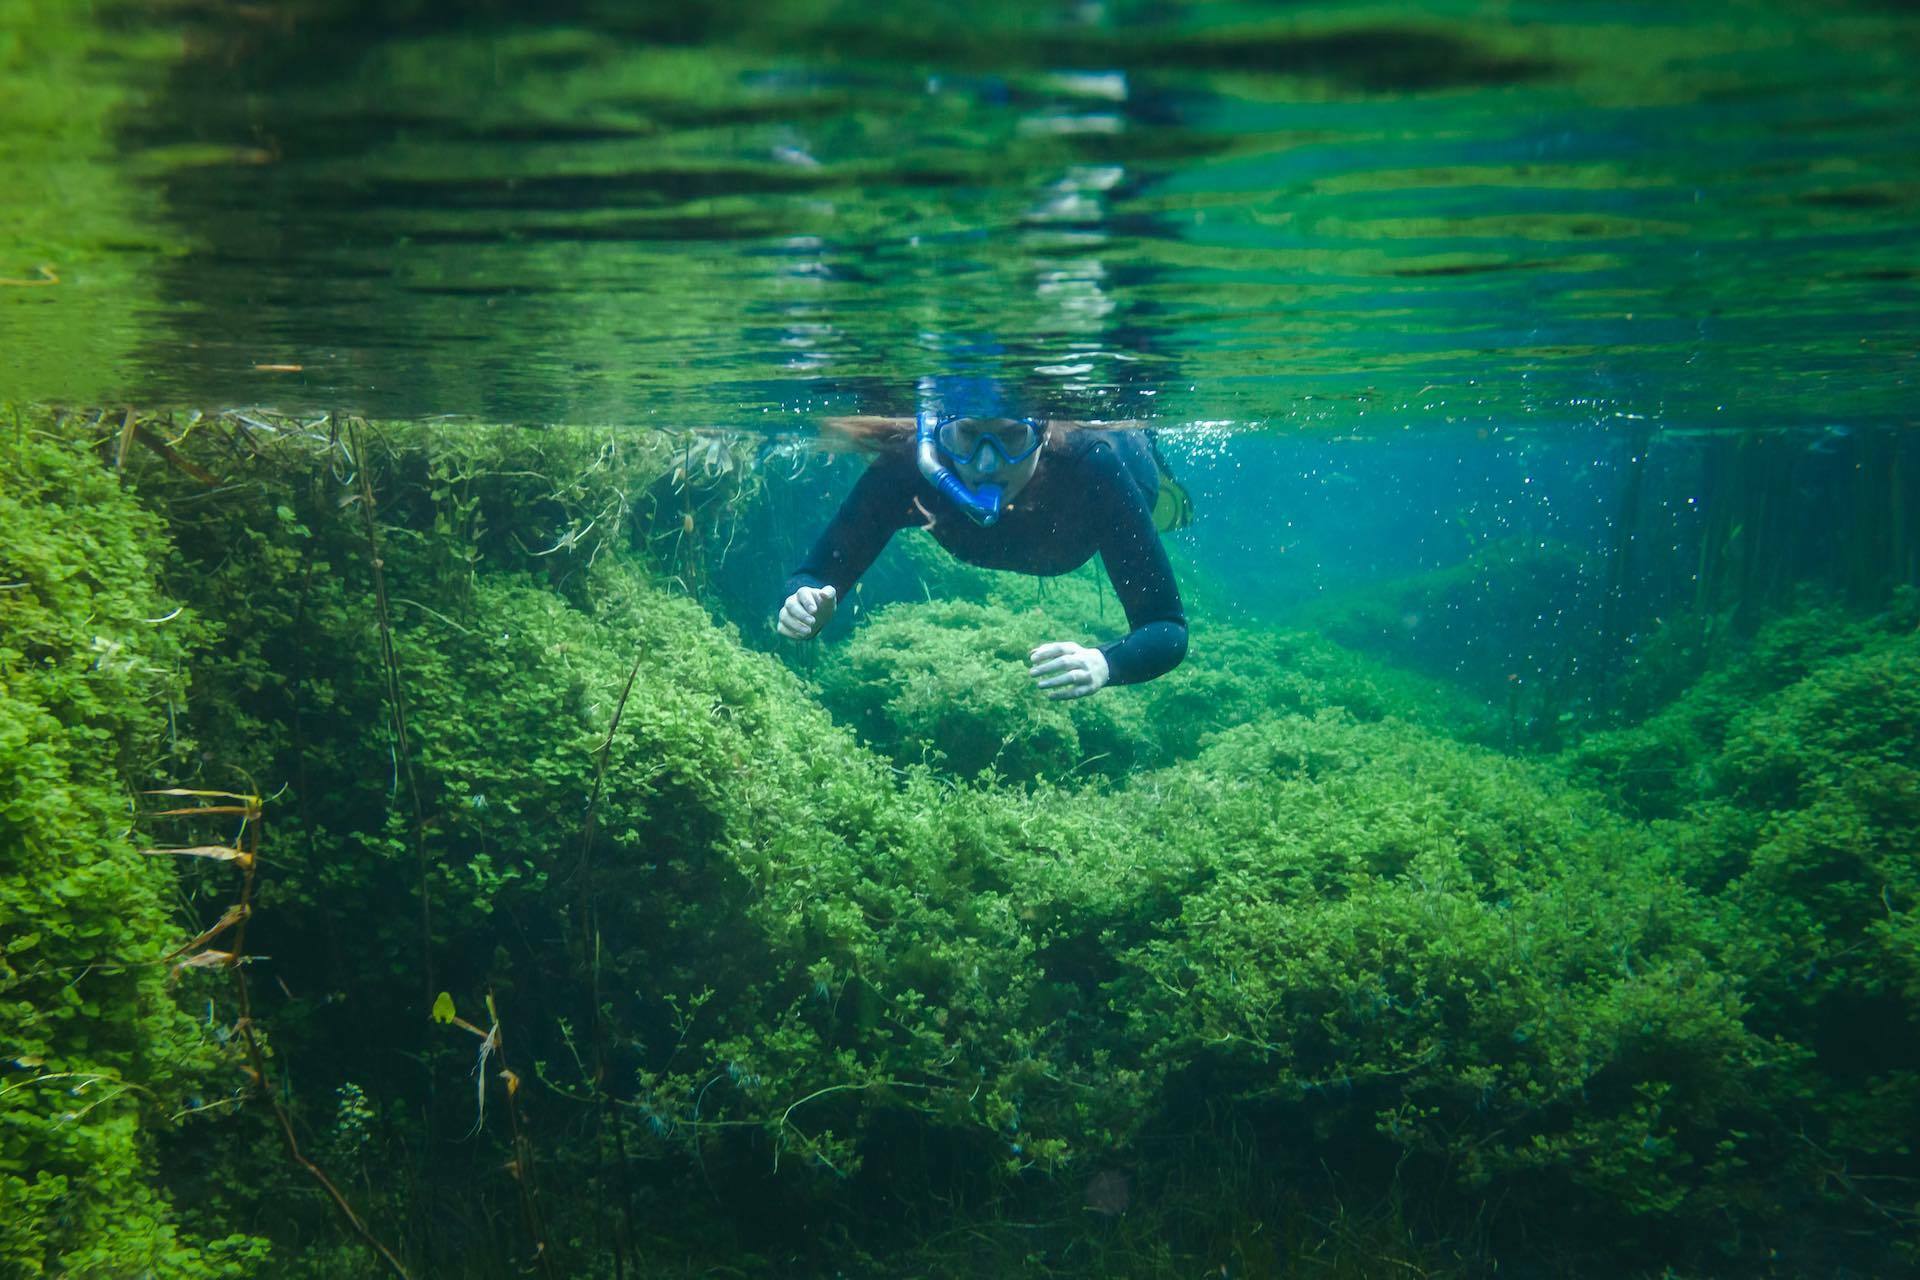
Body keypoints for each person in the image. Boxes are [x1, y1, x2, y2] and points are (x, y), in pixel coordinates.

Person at [776, 378, 1187, 700]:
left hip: (1131, 472)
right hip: (1055, 540)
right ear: (938, 433)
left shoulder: (1092, 468)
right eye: (968, 436)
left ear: (1041, 434)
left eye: (1011, 438)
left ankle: (1152, 449)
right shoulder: (906, 471)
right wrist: (807, 602)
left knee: (1139, 470)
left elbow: (1166, 627)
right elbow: (815, 574)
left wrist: (1105, 664)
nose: (987, 465)